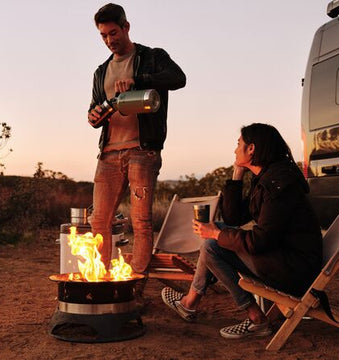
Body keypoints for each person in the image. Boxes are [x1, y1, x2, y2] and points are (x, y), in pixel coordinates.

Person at [161, 123, 323, 339]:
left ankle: (255, 318)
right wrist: (237, 175)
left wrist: (216, 235)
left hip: (293, 270)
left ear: (252, 149)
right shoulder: (268, 177)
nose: (235, 149)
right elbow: (233, 218)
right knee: (216, 234)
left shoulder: (278, 185)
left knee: (211, 246)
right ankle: (190, 302)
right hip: (284, 258)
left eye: (238, 144)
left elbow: (260, 241)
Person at [87, 4, 186, 278]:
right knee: (99, 221)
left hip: (143, 152)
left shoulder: (152, 57)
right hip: (108, 153)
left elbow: (179, 79)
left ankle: (136, 284)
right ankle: (100, 280)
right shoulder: (100, 71)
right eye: (103, 36)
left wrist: (138, 80)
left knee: (141, 222)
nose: (109, 40)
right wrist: (94, 115)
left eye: (113, 33)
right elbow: (95, 107)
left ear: (126, 27)